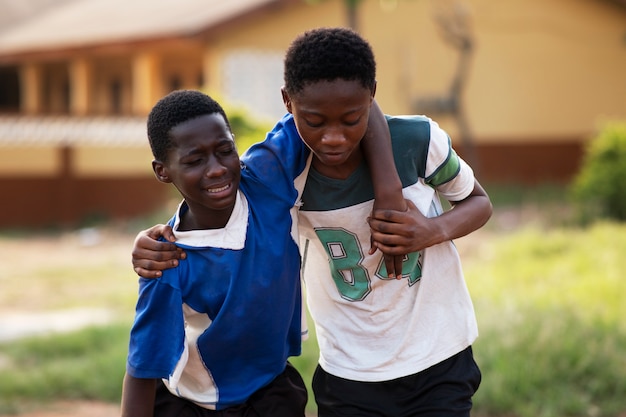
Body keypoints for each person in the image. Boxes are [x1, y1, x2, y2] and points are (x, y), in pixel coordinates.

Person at [132, 28, 493, 417]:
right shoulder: (286, 175)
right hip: (349, 369)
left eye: (350, 120)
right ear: (288, 103)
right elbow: (217, 205)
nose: (334, 137)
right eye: (316, 122)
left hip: (439, 354)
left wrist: (420, 218)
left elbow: (479, 201)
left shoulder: (418, 140)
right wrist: (155, 238)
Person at [122, 86, 401, 417]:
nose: (215, 169)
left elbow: (351, 95)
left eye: (225, 150)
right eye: (195, 160)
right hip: (196, 404)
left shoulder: (266, 180)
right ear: (162, 171)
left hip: (272, 390)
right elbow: (142, 369)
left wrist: (388, 191)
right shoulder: (168, 262)